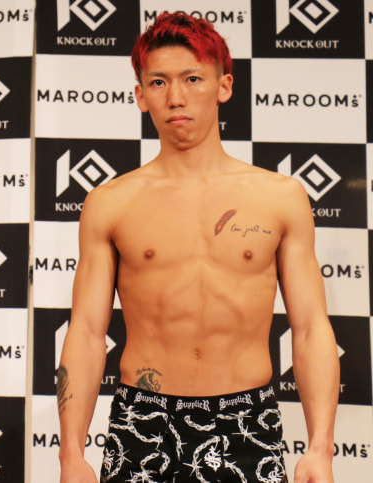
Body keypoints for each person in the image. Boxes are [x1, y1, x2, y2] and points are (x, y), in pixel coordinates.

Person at [56, 12, 339, 483]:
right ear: (140, 95)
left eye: (192, 79)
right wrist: (71, 455)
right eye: (159, 82)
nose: (176, 97)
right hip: (142, 421)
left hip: (247, 422)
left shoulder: (280, 197)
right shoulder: (110, 203)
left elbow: (310, 328)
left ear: (223, 86)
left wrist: (320, 449)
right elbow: (85, 331)